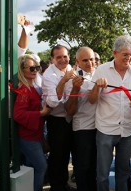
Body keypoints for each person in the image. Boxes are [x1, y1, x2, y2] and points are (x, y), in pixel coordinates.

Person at [88, 35, 131, 191]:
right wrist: (96, 87)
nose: (128, 58)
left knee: (124, 172)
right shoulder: (101, 70)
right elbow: (92, 100)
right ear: (115, 53)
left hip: (127, 131)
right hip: (106, 130)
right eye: (125, 54)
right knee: (102, 173)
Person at [14, 54, 51, 191]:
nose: (35, 70)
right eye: (32, 68)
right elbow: (18, 115)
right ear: (22, 70)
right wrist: (40, 113)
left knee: (31, 167)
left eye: (37, 67)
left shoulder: (32, 87)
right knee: (41, 166)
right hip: (28, 136)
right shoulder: (24, 90)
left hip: (35, 134)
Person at [42, 44, 75, 191]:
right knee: (57, 156)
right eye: (59, 57)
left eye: (65, 56)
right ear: (52, 59)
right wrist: (63, 81)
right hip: (57, 120)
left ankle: (64, 184)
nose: (63, 59)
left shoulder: (71, 69)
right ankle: (56, 187)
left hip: (72, 118)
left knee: (66, 154)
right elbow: (52, 102)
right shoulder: (49, 75)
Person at [64, 47, 97, 191]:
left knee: (96, 167)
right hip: (82, 128)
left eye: (92, 59)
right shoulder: (71, 79)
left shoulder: (101, 74)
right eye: (85, 60)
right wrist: (75, 90)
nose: (90, 63)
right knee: (83, 167)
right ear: (77, 62)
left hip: (102, 127)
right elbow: (70, 110)